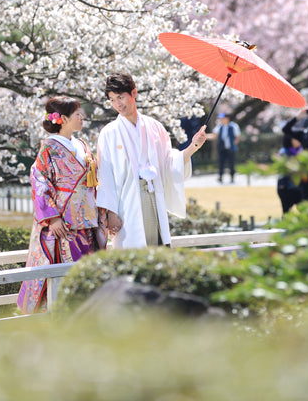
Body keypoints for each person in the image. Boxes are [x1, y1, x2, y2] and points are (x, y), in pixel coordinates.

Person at [96, 72, 207, 248]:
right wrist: (110, 212)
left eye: (120, 97)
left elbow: (170, 163)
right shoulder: (109, 133)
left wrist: (193, 146)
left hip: (154, 194)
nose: (117, 104)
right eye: (112, 100)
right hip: (127, 201)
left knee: (158, 246)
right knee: (132, 250)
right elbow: (105, 175)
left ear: (133, 93)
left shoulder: (155, 127)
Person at [17, 97, 105, 314]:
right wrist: (52, 217)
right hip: (62, 221)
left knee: (87, 269)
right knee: (63, 270)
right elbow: (39, 180)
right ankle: (61, 314)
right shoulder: (49, 147)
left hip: (87, 219)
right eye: (78, 115)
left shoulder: (82, 145)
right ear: (63, 119)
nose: (82, 118)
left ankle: (86, 314)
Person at [276, 134, 304, 214]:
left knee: (304, 213)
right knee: (286, 213)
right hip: (286, 188)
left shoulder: (302, 151)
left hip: (300, 187)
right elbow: (282, 171)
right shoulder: (283, 152)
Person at [212, 112, 240, 184]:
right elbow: (214, 135)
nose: (221, 120)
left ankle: (232, 176)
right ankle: (220, 176)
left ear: (227, 119)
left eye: (223, 118)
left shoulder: (233, 126)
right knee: (221, 163)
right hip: (222, 148)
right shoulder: (219, 126)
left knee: (231, 163)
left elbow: (237, 137)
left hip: (231, 148)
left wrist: (234, 144)